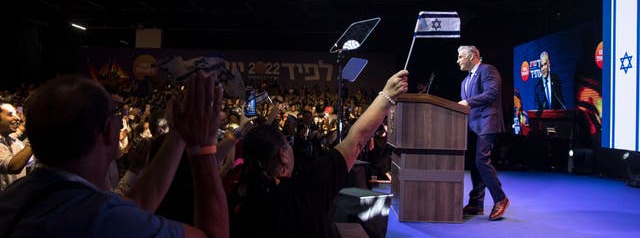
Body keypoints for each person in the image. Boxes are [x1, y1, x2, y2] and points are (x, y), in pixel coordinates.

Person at [0, 71, 228, 237]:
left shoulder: (16, 196)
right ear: (109, 130)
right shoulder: (101, 220)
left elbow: (133, 205)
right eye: (116, 113)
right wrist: (203, 147)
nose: (121, 120)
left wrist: (177, 134)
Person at [228, 70, 408, 237]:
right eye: (287, 145)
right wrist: (387, 95)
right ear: (283, 155)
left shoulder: (238, 198)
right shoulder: (304, 190)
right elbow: (356, 140)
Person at [456, 45, 509, 221]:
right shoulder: (464, 81)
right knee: (474, 162)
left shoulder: (487, 70)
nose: (458, 60)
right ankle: (476, 203)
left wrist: (467, 102)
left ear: (472, 57)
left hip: (488, 122)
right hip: (472, 126)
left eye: (460, 56)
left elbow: (492, 94)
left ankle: (500, 199)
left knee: (481, 160)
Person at [0, 102, 33, 191]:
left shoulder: (10, 136)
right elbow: (13, 167)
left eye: (16, 114)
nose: (17, 118)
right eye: (10, 114)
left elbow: (22, 127)